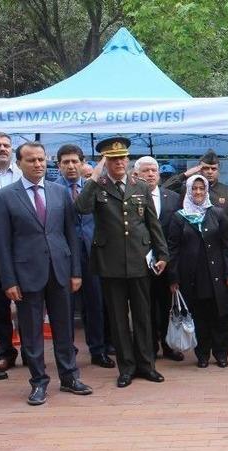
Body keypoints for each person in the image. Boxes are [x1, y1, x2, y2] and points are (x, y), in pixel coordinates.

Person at [0, 141, 92, 404]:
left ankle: (70, 377)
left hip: (60, 271)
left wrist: (75, 271)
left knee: (65, 329)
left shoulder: (59, 192)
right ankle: (38, 382)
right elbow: (2, 244)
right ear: (19, 164)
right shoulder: (4, 197)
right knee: (32, 332)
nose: (38, 164)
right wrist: (9, 280)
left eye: (41, 160)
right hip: (26, 275)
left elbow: (71, 235)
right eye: (31, 160)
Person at [75, 137, 169, 388]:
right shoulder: (98, 185)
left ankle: (146, 365)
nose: (118, 163)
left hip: (139, 260)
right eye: (112, 159)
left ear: (128, 160)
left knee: (142, 316)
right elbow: (81, 208)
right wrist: (94, 177)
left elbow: (152, 223)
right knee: (118, 319)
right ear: (105, 162)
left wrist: (162, 254)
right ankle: (126, 368)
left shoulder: (140, 186)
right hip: (111, 263)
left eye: (122, 158)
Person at [168, 175, 228, 368]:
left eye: (201, 189)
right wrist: (173, 278)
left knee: (220, 317)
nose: (198, 192)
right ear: (188, 192)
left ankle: (221, 353)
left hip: (218, 275)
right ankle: (202, 354)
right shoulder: (179, 217)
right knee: (199, 317)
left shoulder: (218, 214)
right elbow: (172, 249)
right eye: (194, 189)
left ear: (206, 191)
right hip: (192, 277)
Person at [54, 144, 114, 369]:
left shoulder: (96, 188)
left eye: (74, 161)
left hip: (93, 255)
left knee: (95, 304)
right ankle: (67, 351)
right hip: (64, 258)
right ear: (58, 165)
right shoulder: (52, 190)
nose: (70, 166)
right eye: (65, 162)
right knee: (64, 307)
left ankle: (97, 350)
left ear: (81, 163)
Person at [133, 156, 183, 362]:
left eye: (154, 170)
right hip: (140, 261)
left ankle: (167, 344)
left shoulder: (171, 197)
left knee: (165, 306)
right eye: (146, 171)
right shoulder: (131, 196)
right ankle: (148, 347)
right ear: (136, 175)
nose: (151, 174)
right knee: (144, 307)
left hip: (166, 261)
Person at [0, 132, 21, 376]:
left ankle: (33, 350)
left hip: (22, 248)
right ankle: (5, 351)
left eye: (6, 145)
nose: (2, 149)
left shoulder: (23, 174)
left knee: (31, 301)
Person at [163, 149, 228, 219]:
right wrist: (185, 175)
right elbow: (164, 189)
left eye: (213, 169)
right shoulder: (187, 189)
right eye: (206, 168)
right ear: (199, 170)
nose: (210, 172)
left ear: (218, 171)